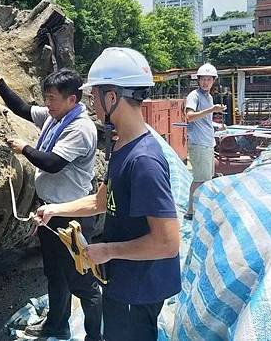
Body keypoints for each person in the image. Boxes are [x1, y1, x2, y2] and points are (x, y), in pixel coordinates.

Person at [34, 47, 181, 341]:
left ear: (111, 97)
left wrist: (108, 250)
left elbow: (167, 242)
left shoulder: (144, 162)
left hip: (138, 289)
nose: (92, 106)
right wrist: (56, 209)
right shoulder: (121, 146)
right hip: (123, 281)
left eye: (94, 97)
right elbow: (101, 201)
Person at [0, 67, 102, 341]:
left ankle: (95, 337)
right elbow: (23, 109)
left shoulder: (80, 128)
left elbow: (52, 163)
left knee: (82, 282)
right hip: (51, 211)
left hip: (73, 216)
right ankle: (57, 325)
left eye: (51, 98)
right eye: (46, 98)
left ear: (72, 100)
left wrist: (24, 148)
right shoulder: (55, 117)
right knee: (55, 272)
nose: (46, 104)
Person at [184, 63, 226, 219]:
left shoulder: (208, 97)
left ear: (213, 81)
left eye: (209, 79)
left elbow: (204, 120)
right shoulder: (194, 96)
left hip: (208, 143)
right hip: (198, 143)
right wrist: (212, 110)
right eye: (203, 79)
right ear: (198, 80)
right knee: (200, 179)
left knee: (206, 179)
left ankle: (199, 209)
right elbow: (189, 116)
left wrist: (216, 125)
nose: (205, 82)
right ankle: (191, 211)